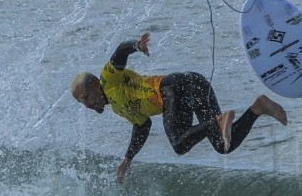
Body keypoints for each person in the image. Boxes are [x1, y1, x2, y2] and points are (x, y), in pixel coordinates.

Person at [70, 32, 288, 183]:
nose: (87, 104)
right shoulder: (118, 107)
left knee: (179, 144)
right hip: (194, 83)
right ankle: (258, 108)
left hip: (173, 87)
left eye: (86, 97)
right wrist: (128, 159)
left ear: (95, 86)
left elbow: (120, 51)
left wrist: (136, 46)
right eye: (82, 102)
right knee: (223, 146)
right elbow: (142, 126)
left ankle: (219, 121)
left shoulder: (108, 79)